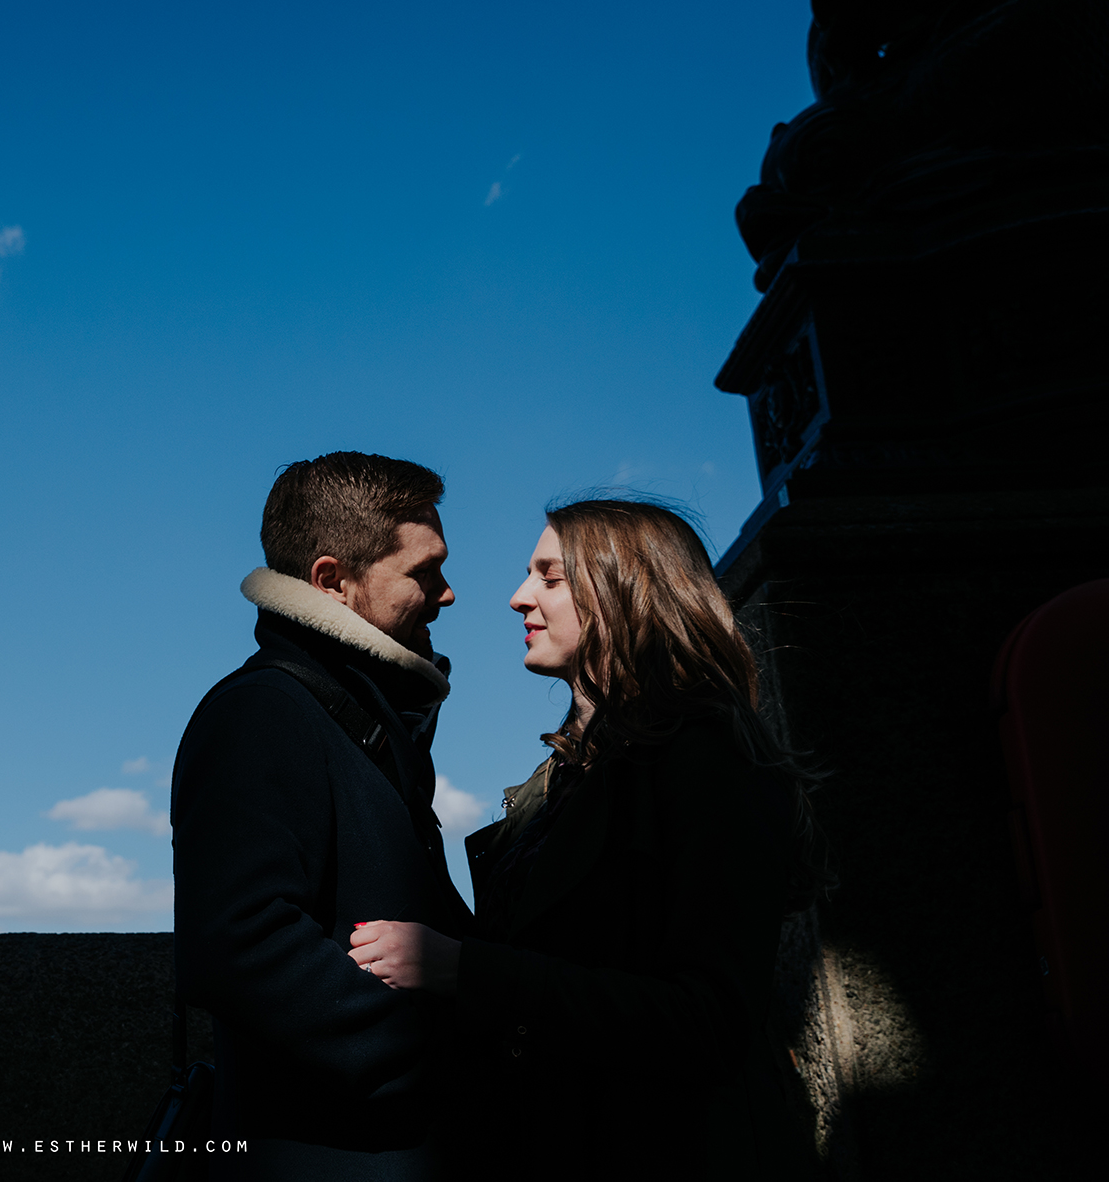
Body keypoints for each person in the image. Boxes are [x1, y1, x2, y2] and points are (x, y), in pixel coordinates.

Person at [347, 498, 827, 1178]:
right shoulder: (560, 780)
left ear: (625, 589)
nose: (518, 597)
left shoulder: (709, 756)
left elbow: (711, 1019)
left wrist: (467, 969)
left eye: (550, 577)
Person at [173, 452, 477, 1179]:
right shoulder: (263, 712)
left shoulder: (352, 719)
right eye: (424, 571)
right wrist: (450, 1044)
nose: (448, 594)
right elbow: (239, 946)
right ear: (333, 582)